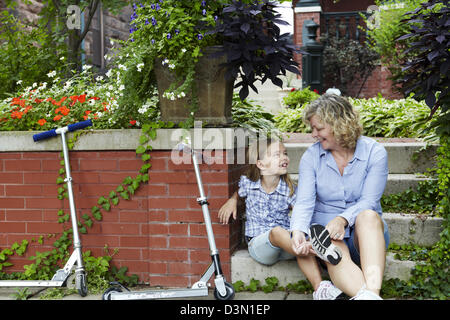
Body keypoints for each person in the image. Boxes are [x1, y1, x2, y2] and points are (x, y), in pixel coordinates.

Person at [290, 94, 390, 300]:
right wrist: (298, 229)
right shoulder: (311, 157)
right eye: (312, 129)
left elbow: (369, 200)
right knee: (330, 246)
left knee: (368, 215)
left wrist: (342, 219)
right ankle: (371, 296)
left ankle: (371, 293)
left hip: (367, 239)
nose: (314, 134)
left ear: (339, 125)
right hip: (330, 238)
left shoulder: (375, 152)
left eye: (319, 128)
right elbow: (304, 201)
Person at [218, 138, 343, 300]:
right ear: (261, 164)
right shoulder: (249, 184)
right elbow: (239, 194)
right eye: (277, 155)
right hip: (260, 246)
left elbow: (302, 213)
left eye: (285, 153)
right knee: (278, 232)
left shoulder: (289, 190)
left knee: (298, 238)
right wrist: (232, 200)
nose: (284, 157)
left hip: (287, 246)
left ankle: (320, 288)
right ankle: (318, 252)